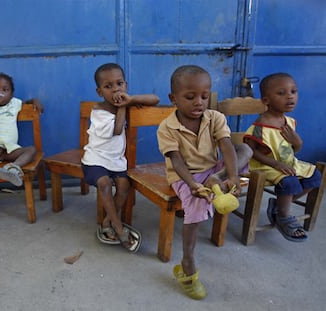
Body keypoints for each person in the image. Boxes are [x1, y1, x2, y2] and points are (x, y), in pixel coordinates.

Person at [157, 65, 252, 300]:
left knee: (246, 149)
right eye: (190, 97)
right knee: (197, 206)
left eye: (204, 96)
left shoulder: (215, 118)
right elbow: (176, 160)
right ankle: (187, 263)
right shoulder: (167, 127)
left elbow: (226, 147)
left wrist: (230, 175)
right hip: (185, 176)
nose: (199, 102)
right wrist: (192, 185)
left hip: (213, 171)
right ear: (174, 99)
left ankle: (218, 180)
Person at [81, 63, 159, 253]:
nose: (115, 89)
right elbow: (117, 130)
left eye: (119, 84)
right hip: (95, 159)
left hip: (116, 161)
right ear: (100, 92)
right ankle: (118, 226)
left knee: (124, 186)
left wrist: (131, 99)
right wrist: (124, 106)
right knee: (105, 184)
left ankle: (107, 221)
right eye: (108, 87)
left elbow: (155, 99)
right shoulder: (98, 111)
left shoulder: (126, 99)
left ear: (126, 85)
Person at [244, 73, 321, 242]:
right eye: (281, 93)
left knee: (315, 176)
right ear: (266, 101)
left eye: (294, 91)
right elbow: (250, 151)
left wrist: (297, 141)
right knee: (290, 181)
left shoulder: (289, 122)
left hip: (286, 162)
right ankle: (284, 215)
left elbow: (294, 149)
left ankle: (278, 207)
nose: (290, 96)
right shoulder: (260, 126)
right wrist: (275, 163)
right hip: (263, 165)